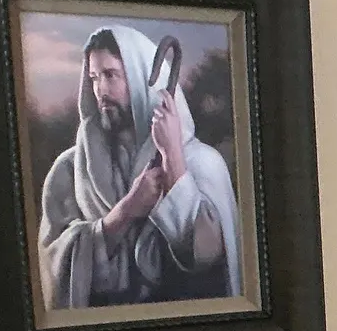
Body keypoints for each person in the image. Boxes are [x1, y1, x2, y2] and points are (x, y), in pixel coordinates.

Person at [37, 24, 241, 312]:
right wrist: (126, 210)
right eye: (94, 78)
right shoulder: (69, 170)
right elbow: (51, 262)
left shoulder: (202, 163)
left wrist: (173, 157)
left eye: (111, 75)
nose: (100, 91)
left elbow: (209, 257)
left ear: (140, 78)